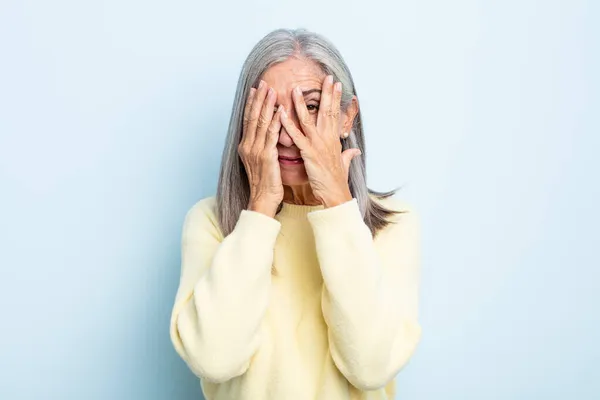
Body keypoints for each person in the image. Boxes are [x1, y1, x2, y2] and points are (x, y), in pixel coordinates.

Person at [169, 28, 422, 400]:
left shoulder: (393, 225)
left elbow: (371, 366)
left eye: (312, 106)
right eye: (271, 110)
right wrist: (259, 210)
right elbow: (215, 360)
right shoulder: (211, 222)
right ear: (246, 119)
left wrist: (337, 204)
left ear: (346, 117)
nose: (288, 134)